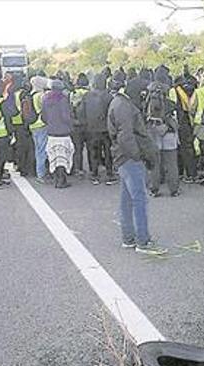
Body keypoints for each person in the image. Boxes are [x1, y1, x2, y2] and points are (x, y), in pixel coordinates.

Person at [107, 75, 166, 255]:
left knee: (127, 200)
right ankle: (143, 241)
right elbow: (126, 136)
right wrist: (138, 155)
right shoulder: (124, 106)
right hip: (130, 158)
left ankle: (129, 238)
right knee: (139, 199)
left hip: (122, 157)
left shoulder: (118, 102)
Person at [144, 75, 180, 198]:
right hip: (169, 133)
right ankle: (173, 189)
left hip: (153, 132)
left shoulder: (147, 102)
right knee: (171, 163)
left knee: (155, 163)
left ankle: (154, 189)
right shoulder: (171, 103)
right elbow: (176, 120)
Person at [83, 72, 115, 185]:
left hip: (91, 128)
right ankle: (110, 174)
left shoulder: (87, 96)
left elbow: (82, 112)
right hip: (106, 128)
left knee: (93, 152)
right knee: (108, 152)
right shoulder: (109, 96)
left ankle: (94, 174)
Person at [41, 79, 74, 188]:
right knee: (64, 157)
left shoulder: (45, 99)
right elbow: (66, 116)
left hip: (51, 133)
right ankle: (62, 180)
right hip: (63, 133)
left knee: (54, 157)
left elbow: (43, 117)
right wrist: (71, 124)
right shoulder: (63, 99)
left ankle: (56, 179)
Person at [10, 79, 36, 177]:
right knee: (27, 147)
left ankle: (19, 166)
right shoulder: (24, 94)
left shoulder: (13, 94)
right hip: (23, 123)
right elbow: (26, 110)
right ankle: (27, 168)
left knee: (19, 146)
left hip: (15, 123)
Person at [173, 76, 197, 184]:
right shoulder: (191, 90)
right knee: (189, 148)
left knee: (180, 149)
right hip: (190, 122)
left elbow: (174, 107)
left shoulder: (175, 91)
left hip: (180, 122)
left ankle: (183, 173)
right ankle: (191, 173)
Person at [29, 76, 50, 182]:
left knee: (38, 150)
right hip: (41, 124)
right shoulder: (41, 95)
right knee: (42, 150)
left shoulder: (31, 94)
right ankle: (41, 174)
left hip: (33, 125)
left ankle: (39, 172)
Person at [69, 73, 90, 178]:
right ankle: (93, 170)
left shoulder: (73, 93)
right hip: (88, 124)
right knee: (91, 148)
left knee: (77, 149)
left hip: (75, 124)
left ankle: (78, 168)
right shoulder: (89, 93)